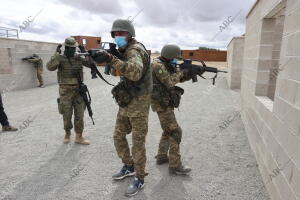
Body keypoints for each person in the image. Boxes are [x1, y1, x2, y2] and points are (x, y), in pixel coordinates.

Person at [92, 19, 152, 196]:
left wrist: (111, 58)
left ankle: (139, 178)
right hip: (126, 101)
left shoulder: (135, 50)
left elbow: (133, 73)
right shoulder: (123, 51)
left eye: (121, 33)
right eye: (115, 34)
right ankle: (129, 166)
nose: (118, 37)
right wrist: (101, 60)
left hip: (140, 102)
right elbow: (116, 71)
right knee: (118, 136)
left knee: (138, 143)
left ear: (129, 34)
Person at [151, 44, 192, 175]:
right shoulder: (157, 65)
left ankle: (162, 156)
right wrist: (181, 73)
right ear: (169, 55)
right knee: (175, 132)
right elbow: (169, 81)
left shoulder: (165, 63)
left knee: (168, 130)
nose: (176, 60)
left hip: (165, 101)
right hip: (161, 103)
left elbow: (177, 78)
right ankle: (175, 165)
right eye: (175, 58)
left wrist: (190, 73)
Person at [46, 37, 90, 145]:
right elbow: (50, 67)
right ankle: (67, 133)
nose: (71, 50)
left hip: (78, 89)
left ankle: (79, 136)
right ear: (65, 47)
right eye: (69, 48)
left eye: (73, 48)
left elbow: (90, 64)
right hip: (65, 90)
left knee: (79, 114)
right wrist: (56, 54)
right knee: (67, 114)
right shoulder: (60, 58)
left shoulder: (79, 57)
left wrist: (83, 51)